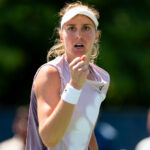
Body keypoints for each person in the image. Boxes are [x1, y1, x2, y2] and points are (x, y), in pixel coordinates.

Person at [25, 1, 110, 150]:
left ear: (96, 36)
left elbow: (86, 133)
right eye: (71, 28)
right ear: (61, 35)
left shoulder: (101, 78)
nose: (79, 35)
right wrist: (74, 87)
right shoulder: (49, 74)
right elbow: (49, 139)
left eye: (86, 28)